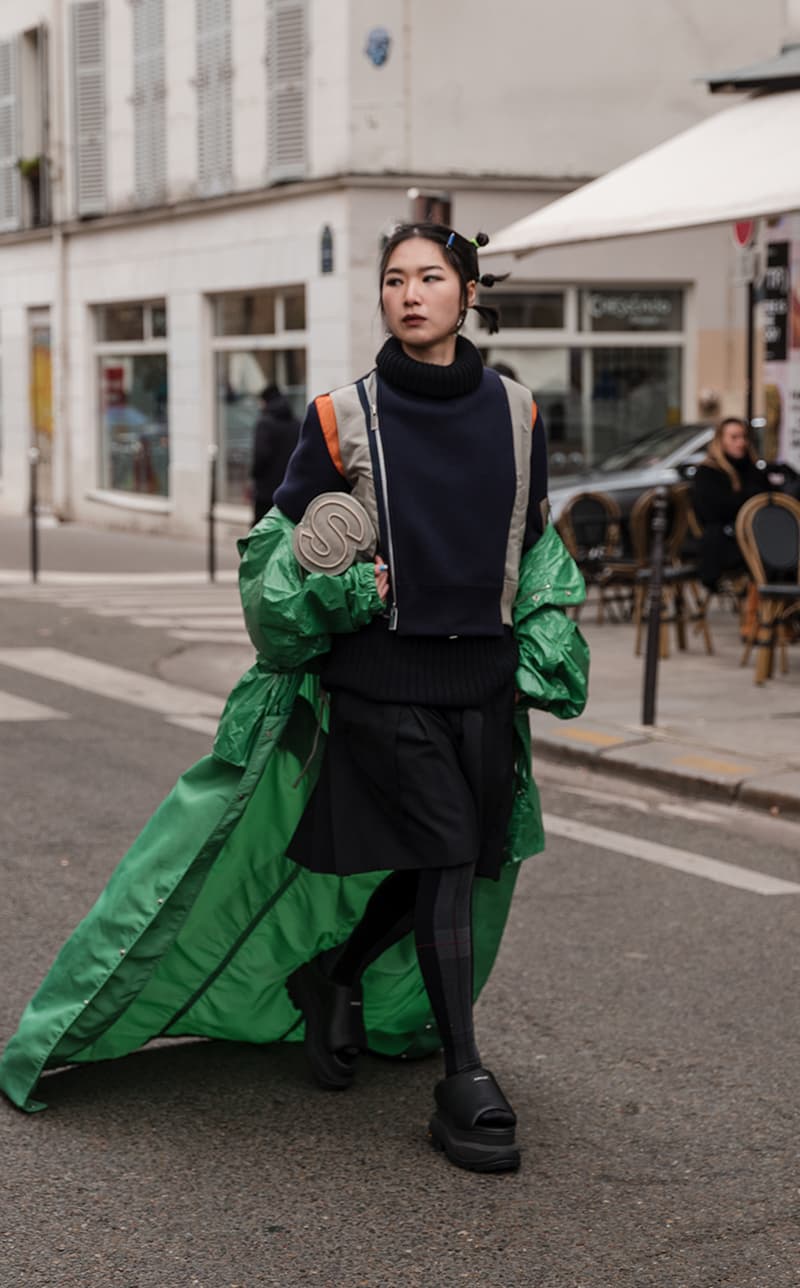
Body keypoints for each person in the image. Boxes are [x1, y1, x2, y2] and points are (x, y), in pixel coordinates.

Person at [0, 224, 588, 1179]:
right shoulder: (339, 415)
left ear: (468, 292)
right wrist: (347, 588)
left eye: (430, 278)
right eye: (394, 278)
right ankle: (466, 1081)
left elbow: (535, 543)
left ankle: (335, 976)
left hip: (480, 683)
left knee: (457, 861)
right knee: (442, 851)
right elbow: (279, 557)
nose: (409, 294)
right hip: (381, 683)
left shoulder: (519, 412)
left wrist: (546, 635)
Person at [691, 416, 770, 590]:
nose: (741, 442)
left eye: (743, 437)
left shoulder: (751, 468)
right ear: (721, 441)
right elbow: (712, 512)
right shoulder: (708, 471)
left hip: (759, 536)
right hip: (727, 542)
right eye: (734, 437)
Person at [250, 384, 300, 525]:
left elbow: (260, 456)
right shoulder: (297, 423)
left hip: (265, 494)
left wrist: (253, 476)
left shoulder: (264, 424)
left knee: (262, 536)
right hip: (289, 491)